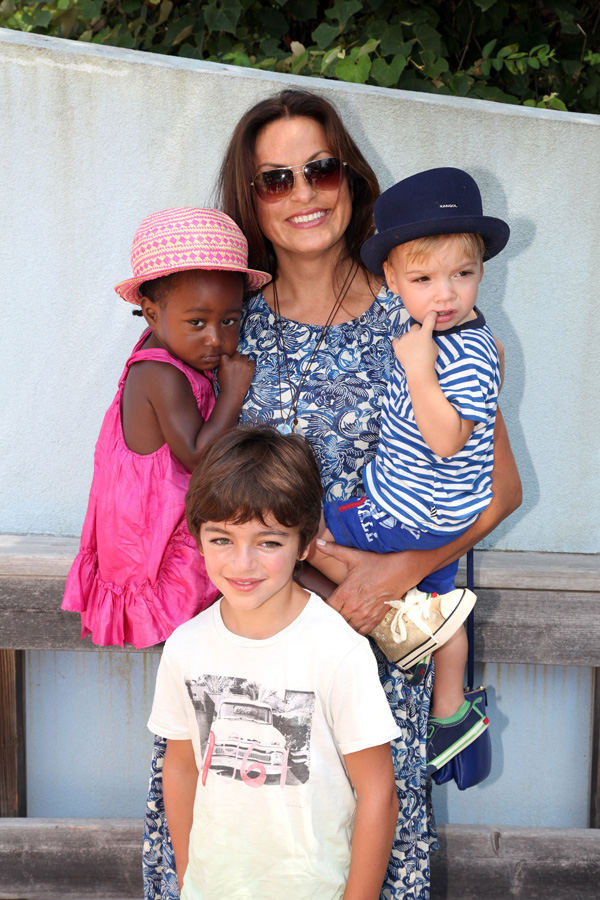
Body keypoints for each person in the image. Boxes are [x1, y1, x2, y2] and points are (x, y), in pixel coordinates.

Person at [144, 89, 521, 900]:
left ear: (350, 175)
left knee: (360, 861)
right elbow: (177, 473)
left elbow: (499, 487)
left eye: (319, 168)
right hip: (249, 656)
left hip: (368, 649)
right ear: (251, 201)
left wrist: (391, 576)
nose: (303, 193)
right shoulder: (225, 323)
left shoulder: (420, 306)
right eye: (275, 180)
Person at [310, 167, 509, 773]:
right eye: (423, 278)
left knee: (300, 535)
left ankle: (394, 622)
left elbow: (447, 440)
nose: (444, 295)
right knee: (440, 600)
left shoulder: (467, 350)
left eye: (462, 275)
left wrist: (419, 370)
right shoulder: (423, 327)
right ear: (391, 279)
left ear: (482, 272)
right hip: (430, 516)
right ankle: (449, 711)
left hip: (407, 516)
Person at [149, 425, 400, 900]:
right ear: (197, 538)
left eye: (268, 542)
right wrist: (188, 878)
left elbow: (378, 794)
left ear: (304, 544)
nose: (242, 564)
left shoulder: (336, 649)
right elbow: (179, 767)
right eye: (222, 539)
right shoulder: (185, 647)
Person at [62, 208, 270, 648]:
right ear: (152, 314)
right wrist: (232, 394)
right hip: (152, 551)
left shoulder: (173, 354)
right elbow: (196, 455)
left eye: (230, 321)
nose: (216, 338)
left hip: (169, 527)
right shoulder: (160, 373)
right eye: (197, 322)